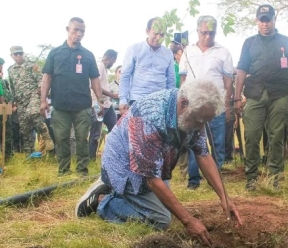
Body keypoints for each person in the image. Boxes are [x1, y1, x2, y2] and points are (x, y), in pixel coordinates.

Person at [75, 79, 242, 247]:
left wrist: (224, 197)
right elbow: (152, 180)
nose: (201, 127)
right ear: (183, 103)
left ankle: (119, 192)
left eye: (205, 122)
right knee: (161, 219)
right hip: (124, 166)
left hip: (154, 163)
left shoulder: (195, 113)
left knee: (167, 205)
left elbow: (203, 154)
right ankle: (102, 200)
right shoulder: (150, 117)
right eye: (199, 121)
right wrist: (188, 221)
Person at [234, 4, 288, 190]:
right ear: (257, 21)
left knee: (277, 136)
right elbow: (241, 70)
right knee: (252, 135)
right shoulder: (249, 43)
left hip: (280, 94)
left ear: (274, 20)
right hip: (254, 93)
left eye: (268, 20)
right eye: (262, 21)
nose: (265, 24)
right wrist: (237, 98)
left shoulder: (286, 42)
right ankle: (251, 177)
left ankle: (274, 178)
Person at [40, 17, 102, 176]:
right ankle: (64, 171)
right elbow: (47, 77)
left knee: (82, 139)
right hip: (60, 106)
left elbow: (95, 78)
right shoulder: (55, 53)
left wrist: (100, 100)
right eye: (76, 30)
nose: (79, 34)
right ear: (67, 29)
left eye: (82, 31)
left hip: (83, 106)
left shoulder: (88, 55)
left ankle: (82, 171)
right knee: (61, 139)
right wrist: (43, 101)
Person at [179, 15, 234, 189]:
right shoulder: (188, 51)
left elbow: (228, 82)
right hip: (193, 108)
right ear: (197, 31)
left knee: (217, 142)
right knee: (193, 143)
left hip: (215, 107)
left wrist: (227, 105)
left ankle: (214, 180)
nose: (208, 36)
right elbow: (183, 79)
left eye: (211, 33)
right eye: (204, 32)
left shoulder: (223, 52)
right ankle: (193, 181)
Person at [118, 17, 176, 114]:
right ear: (147, 31)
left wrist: (171, 102)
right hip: (138, 100)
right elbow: (125, 76)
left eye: (162, 34)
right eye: (155, 33)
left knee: (157, 130)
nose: (158, 38)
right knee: (138, 129)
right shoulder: (134, 49)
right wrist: (123, 100)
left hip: (160, 102)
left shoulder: (168, 53)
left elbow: (171, 80)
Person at [8, 46, 54, 157]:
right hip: (21, 101)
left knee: (33, 113)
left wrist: (41, 93)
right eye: (16, 54)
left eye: (20, 53)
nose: (19, 56)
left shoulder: (32, 65)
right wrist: (13, 101)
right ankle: (29, 154)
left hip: (34, 96)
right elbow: (12, 87)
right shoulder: (10, 69)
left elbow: (41, 80)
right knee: (25, 127)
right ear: (12, 56)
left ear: (23, 54)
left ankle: (47, 138)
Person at [89, 49, 118, 161]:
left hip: (107, 104)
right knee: (95, 133)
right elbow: (94, 85)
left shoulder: (104, 69)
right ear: (111, 58)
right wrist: (112, 94)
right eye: (114, 61)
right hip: (98, 104)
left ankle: (112, 156)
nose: (113, 64)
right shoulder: (100, 66)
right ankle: (91, 158)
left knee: (115, 129)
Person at [0, 58, 14, 160]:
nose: (1, 68)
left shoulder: (3, 81)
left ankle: (8, 157)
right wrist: (4, 104)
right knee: (5, 134)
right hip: (2, 111)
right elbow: (1, 96)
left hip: (6, 111)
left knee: (7, 134)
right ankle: (7, 157)